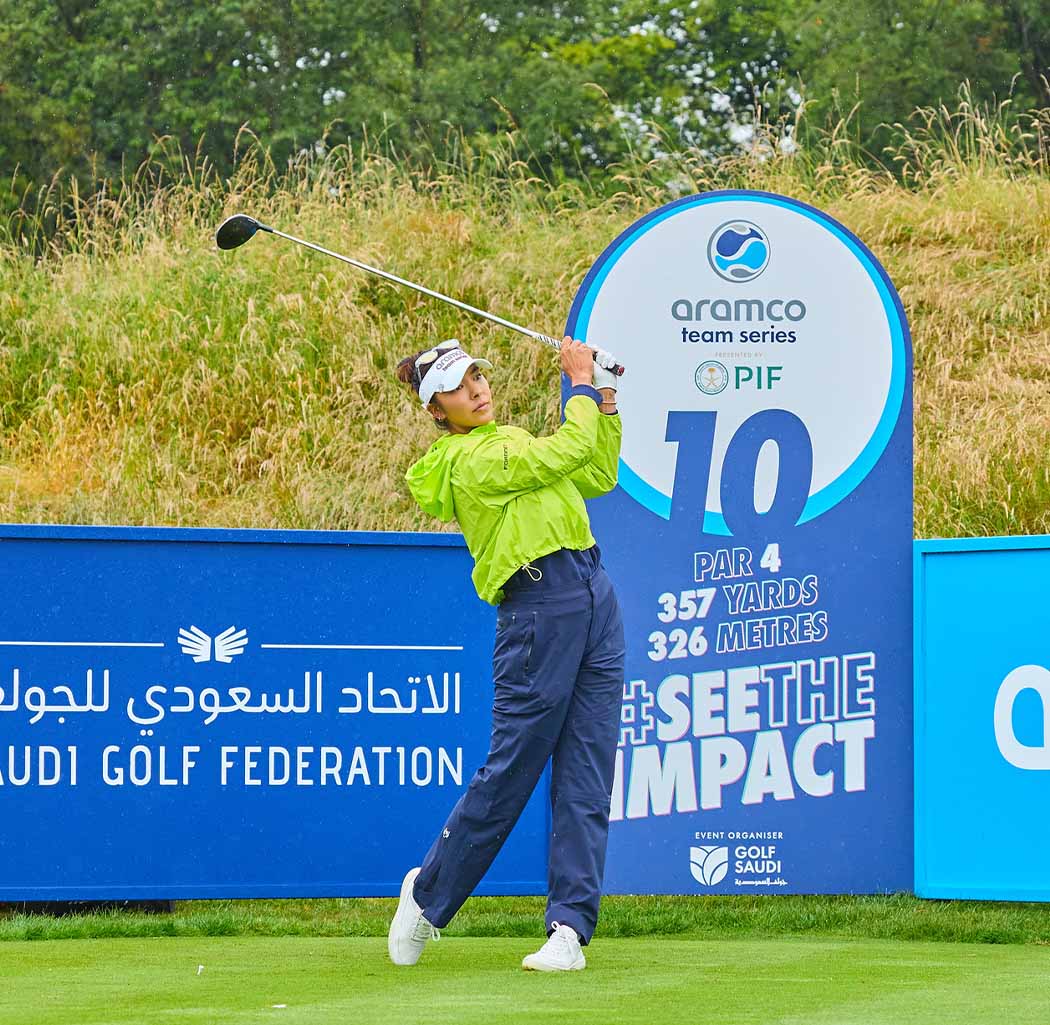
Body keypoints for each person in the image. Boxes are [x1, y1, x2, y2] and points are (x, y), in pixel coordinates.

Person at [388, 334, 625, 972]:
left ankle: (568, 930)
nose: (476, 390)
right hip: (538, 608)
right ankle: (427, 894)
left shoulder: (512, 439)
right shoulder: (465, 462)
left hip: (593, 593)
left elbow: (597, 471)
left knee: (587, 774)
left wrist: (604, 398)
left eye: (477, 377)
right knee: (512, 772)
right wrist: (579, 383)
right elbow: (567, 449)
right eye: (457, 387)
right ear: (436, 409)